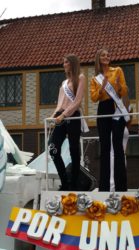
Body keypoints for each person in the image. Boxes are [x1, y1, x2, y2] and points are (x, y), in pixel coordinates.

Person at [90, 48, 128, 191]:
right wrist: (102, 88)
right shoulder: (95, 78)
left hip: (116, 107)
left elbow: (124, 91)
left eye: (108, 55)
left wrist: (118, 86)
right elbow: (93, 98)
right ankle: (104, 187)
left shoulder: (117, 71)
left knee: (118, 147)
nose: (106, 57)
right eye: (103, 55)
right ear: (98, 59)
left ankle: (121, 186)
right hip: (103, 108)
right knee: (105, 148)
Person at [49, 54, 86, 191]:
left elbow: (77, 101)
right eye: (63, 62)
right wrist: (53, 116)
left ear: (72, 64)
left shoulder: (80, 78)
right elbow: (60, 103)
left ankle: (73, 184)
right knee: (53, 149)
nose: (63, 65)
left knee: (74, 150)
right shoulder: (64, 83)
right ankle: (65, 181)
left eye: (65, 62)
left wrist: (63, 115)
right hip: (60, 116)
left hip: (72, 117)